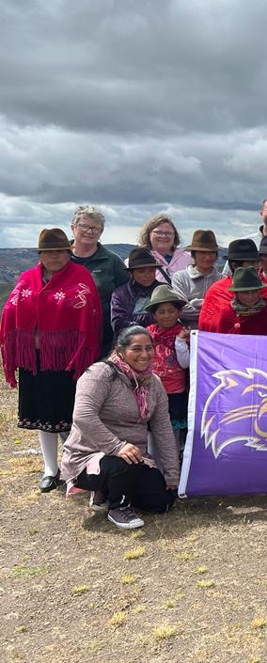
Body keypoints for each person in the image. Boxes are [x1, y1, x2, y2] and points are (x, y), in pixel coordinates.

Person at [1, 228, 102, 492]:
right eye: (49, 252)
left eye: (60, 252)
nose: (55, 256)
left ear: (68, 254)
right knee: (43, 413)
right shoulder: (28, 278)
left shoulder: (81, 278)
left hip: (70, 359)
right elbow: (11, 308)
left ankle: (76, 468)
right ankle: (50, 468)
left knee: (72, 413)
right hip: (34, 359)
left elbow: (88, 311)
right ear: (40, 254)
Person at [61, 326, 179, 530]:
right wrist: (117, 447)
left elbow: (163, 428)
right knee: (124, 462)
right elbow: (83, 416)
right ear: (120, 351)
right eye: (136, 349)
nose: (144, 355)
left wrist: (171, 472)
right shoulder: (100, 374)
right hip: (89, 455)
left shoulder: (154, 382)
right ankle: (118, 508)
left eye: (149, 348)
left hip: (133, 457)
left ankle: (108, 491)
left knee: (162, 502)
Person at [69, 205, 129, 356]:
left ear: (101, 232)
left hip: (103, 339)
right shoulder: (59, 258)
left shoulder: (112, 260)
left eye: (95, 228)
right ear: (73, 228)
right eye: (84, 226)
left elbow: (128, 294)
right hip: (64, 337)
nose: (89, 232)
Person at [199, 240, 267, 331]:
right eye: (251, 263)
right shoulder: (217, 291)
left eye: (257, 262)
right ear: (235, 266)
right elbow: (208, 325)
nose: (257, 266)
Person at [145, 286, 190, 450]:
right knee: (151, 433)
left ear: (178, 312)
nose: (167, 315)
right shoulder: (147, 334)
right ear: (154, 315)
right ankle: (153, 470)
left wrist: (179, 342)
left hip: (174, 393)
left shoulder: (184, 334)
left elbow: (185, 363)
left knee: (173, 436)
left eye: (171, 311)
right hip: (151, 391)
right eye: (162, 312)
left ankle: (173, 470)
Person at [170, 229, 224, 328]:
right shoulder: (180, 278)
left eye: (211, 253)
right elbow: (180, 310)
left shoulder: (223, 280)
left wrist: (194, 303)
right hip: (187, 336)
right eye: (202, 253)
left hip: (216, 335)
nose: (207, 257)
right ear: (194, 254)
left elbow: (226, 310)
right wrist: (213, 312)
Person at [209, 267, 267, 336]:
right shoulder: (228, 314)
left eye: (254, 292)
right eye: (245, 293)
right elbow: (222, 343)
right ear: (236, 294)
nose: (250, 297)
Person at [111, 247, 162, 337]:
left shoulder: (163, 289)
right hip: (129, 341)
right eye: (141, 271)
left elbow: (171, 317)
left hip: (161, 338)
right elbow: (118, 323)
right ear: (131, 273)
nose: (147, 275)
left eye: (151, 270)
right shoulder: (120, 294)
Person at [136, 213, 191, 283]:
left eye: (168, 233)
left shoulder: (189, 258)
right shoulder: (137, 260)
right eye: (158, 232)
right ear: (148, 234)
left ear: (175, 236)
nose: (163, 236)